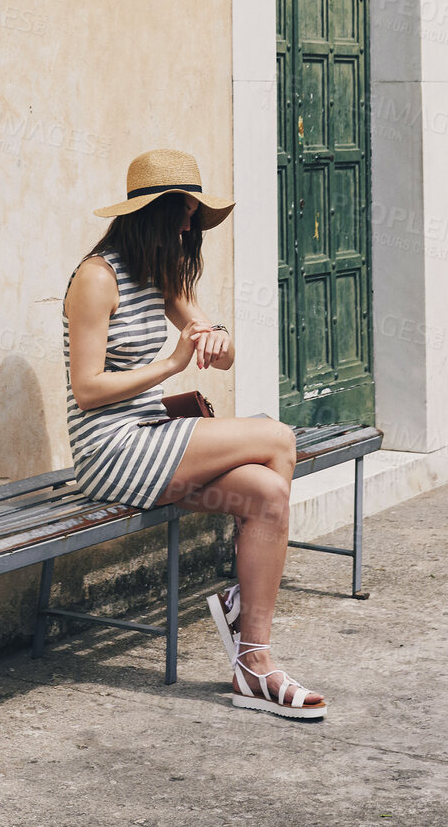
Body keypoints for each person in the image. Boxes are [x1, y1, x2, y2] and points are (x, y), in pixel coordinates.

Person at [63, 148, 326, 720]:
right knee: (278, 439)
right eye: (184, 212)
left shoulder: (160, 274)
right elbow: (87, 390)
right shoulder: (95, 277)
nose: (190, 225)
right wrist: (170, 366)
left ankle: (253, 658)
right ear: (155, 214)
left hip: (154, 437)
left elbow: (214, 347)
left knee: (266, 491)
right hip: (111, 448)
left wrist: (219, 338)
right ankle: (243, 601)